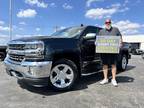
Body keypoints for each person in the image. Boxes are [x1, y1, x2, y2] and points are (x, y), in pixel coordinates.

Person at [99, 19, 123, 87]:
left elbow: (120, 37)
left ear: (111, 23)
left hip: (113, 51)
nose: (108, 23)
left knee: (113, 65)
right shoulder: (101, 31)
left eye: (109, 22)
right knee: (104, 65)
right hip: (104, 51)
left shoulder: (115, 29)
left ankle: (113, 79)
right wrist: (96, 43)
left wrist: (121, 42)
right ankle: (106, 79)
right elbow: (98, 39)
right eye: (106, 22)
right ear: (105, 23)